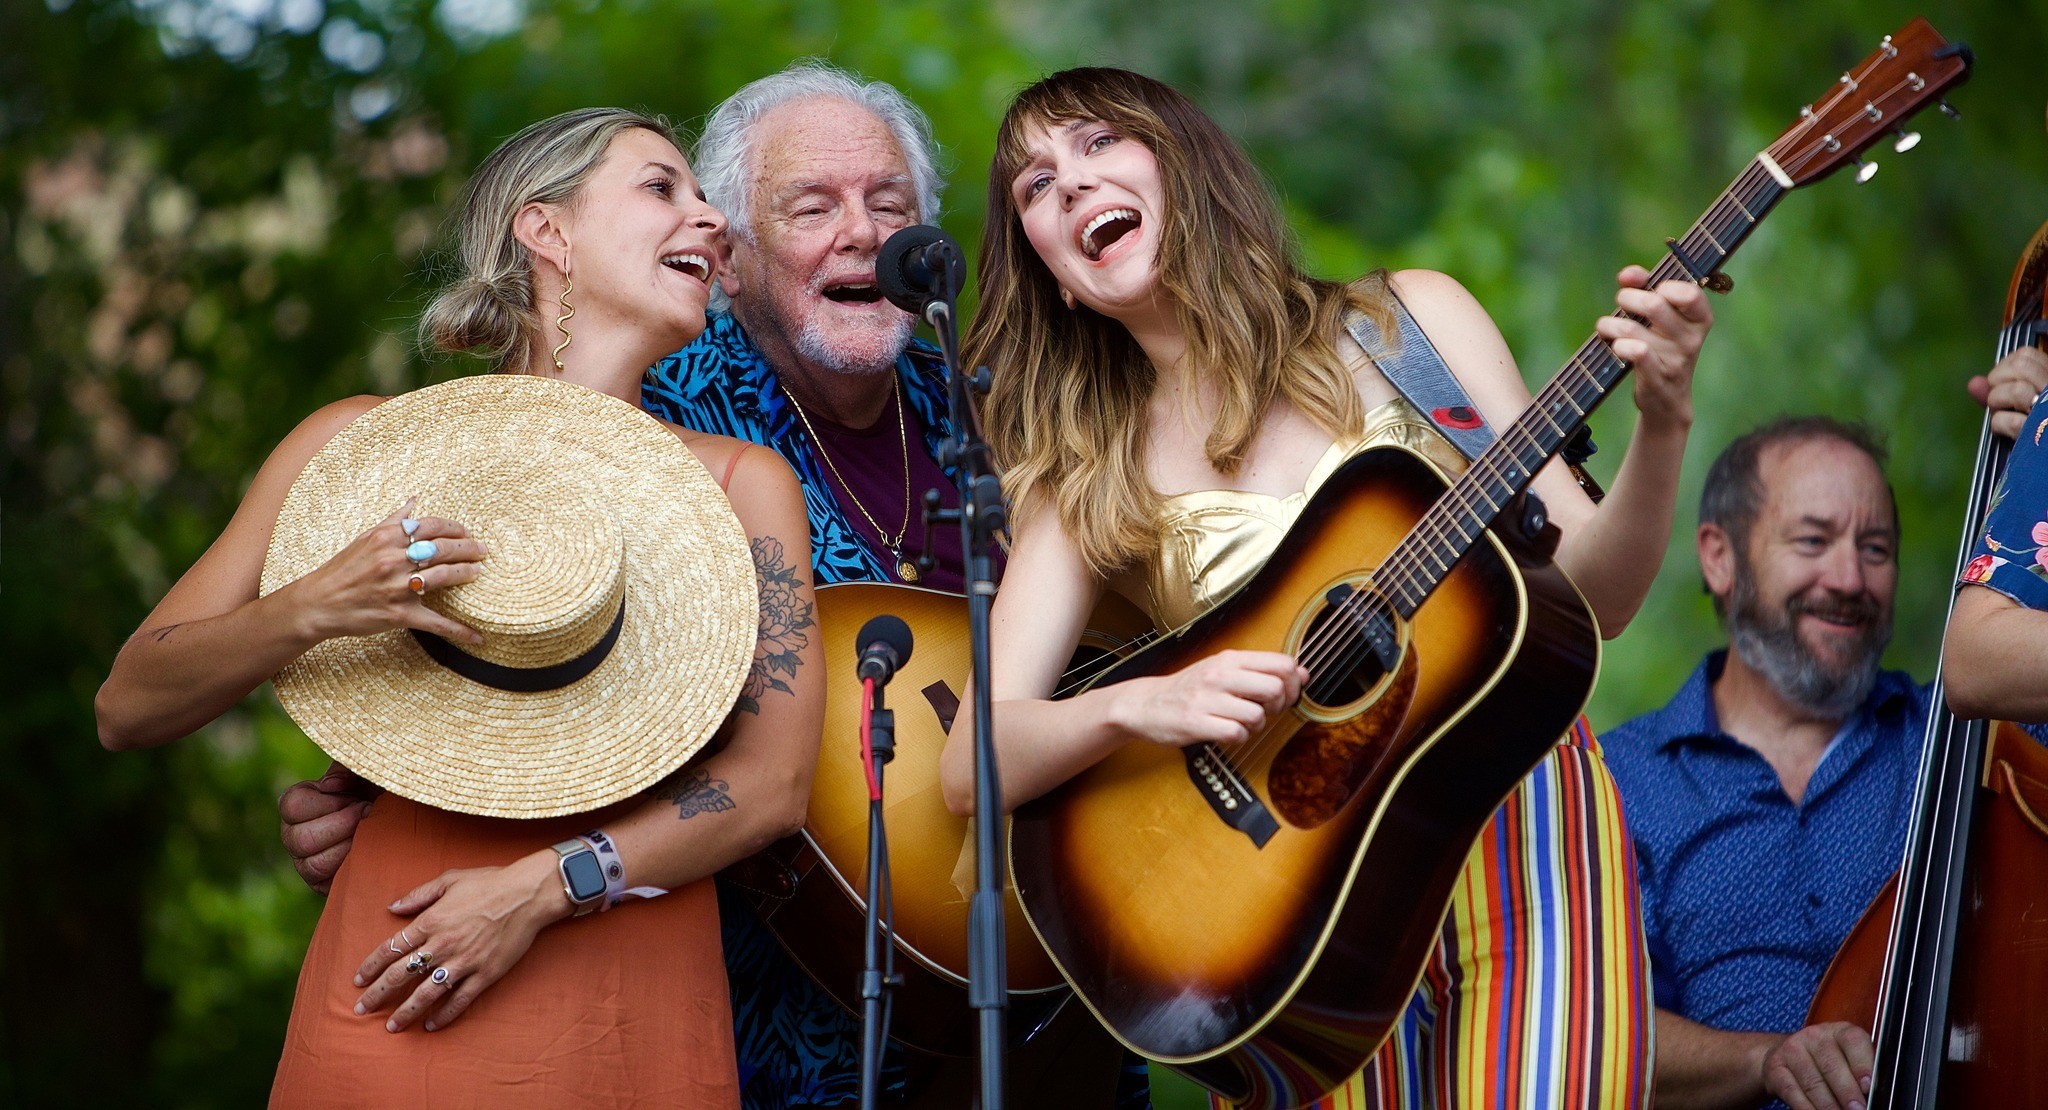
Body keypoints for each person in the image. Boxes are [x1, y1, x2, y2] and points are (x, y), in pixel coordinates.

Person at [274, 63, 1141, 1108]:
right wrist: (378, 786)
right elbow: (508, 650)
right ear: (728, 255)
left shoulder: (1018, 414)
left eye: (889, 203)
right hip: (768, 1008)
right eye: (811, 208)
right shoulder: (648, 423)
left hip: (1050, 982)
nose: (861, 233)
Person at [947, 66, 1714, 1109]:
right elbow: (970, 761)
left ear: (1183, 164)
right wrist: (1142, 705)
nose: (1070, 183)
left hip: (1518, 823)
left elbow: (1598, 602)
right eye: (1035, 185)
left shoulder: (1408, 323)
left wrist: (1662, 422)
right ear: (1056, 276)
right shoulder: (1089, 477)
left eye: (1096, 143)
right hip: (1294, 908)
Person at [94, 108, 822, 1104]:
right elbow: (128, 704)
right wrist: (311, 606)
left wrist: (545, 885)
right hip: (406, 958)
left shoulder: (741, 487)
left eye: (703, 197)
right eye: (662, 187)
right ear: (546, 231)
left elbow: (774, 784)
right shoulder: (354, 449)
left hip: (632, 974)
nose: (710, 218)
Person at [1602, 361, 2048, 1110]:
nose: (1848, 579)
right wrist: (1763, 1060)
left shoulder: (1975, 741)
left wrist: (2042, 449)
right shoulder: (1618, 782)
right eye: (1813, 541)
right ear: (1719, 556)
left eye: (1875, 550)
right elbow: (1593, 1031)